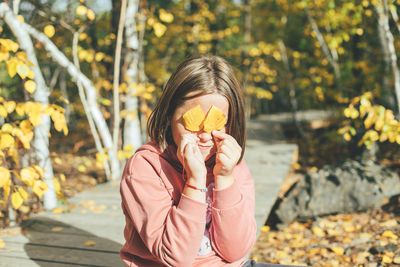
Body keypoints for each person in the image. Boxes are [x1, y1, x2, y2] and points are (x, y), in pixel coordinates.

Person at [120, 55, 302, 267]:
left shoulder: (233, 166)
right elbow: (175, 258)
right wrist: (194, 181)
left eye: (217, 122)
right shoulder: (145, 167)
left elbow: (235, 251)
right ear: (169, 116)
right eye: (193, 121)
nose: (205, 135)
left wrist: (225, 178)